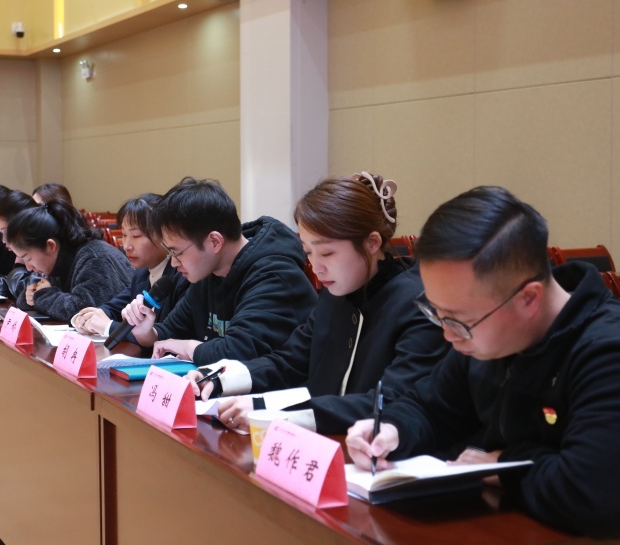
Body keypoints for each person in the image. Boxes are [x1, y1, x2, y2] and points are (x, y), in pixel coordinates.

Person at [345, 186, 620, 543]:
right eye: (436, 312)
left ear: (528, 299)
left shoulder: (618, 353)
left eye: (458, 320)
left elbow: (596, 499)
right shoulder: (489, 332)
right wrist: (392, 430)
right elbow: (433, 406)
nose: (447, 334)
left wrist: (504, 464)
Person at [188, 174, 447, 434]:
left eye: (327, 253)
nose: (316, 267)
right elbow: (290, 362)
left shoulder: (418, 304)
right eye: (308, 252)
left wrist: (277, 413)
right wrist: (220, 377)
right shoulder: (336, 294)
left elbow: (392, 400)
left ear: (372, 243)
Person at [126, 177, 317, 364]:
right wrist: (147, 333)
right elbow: (172, 330)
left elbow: (238, 351)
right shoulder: (208, 271)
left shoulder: (273, 275)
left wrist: (188, 347)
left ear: (215, 242)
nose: (174, 263)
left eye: (177, 253)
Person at [72, 193, 189, 342]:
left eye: (136, 236)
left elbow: (169, 334)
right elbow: (115, 307)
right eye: (123, 234)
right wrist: (90, 318)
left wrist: (108, 326)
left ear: (165, 235)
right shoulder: (142, 273)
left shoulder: (183, 275)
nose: (126, 246)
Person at [7, 199, 133, 322]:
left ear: (50, 246)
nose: (28, 267)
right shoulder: (61, 258)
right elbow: (52, 296)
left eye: (28, 259)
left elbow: (83, 311)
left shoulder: (95, 259)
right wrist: (30, 297)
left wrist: (42, 295)